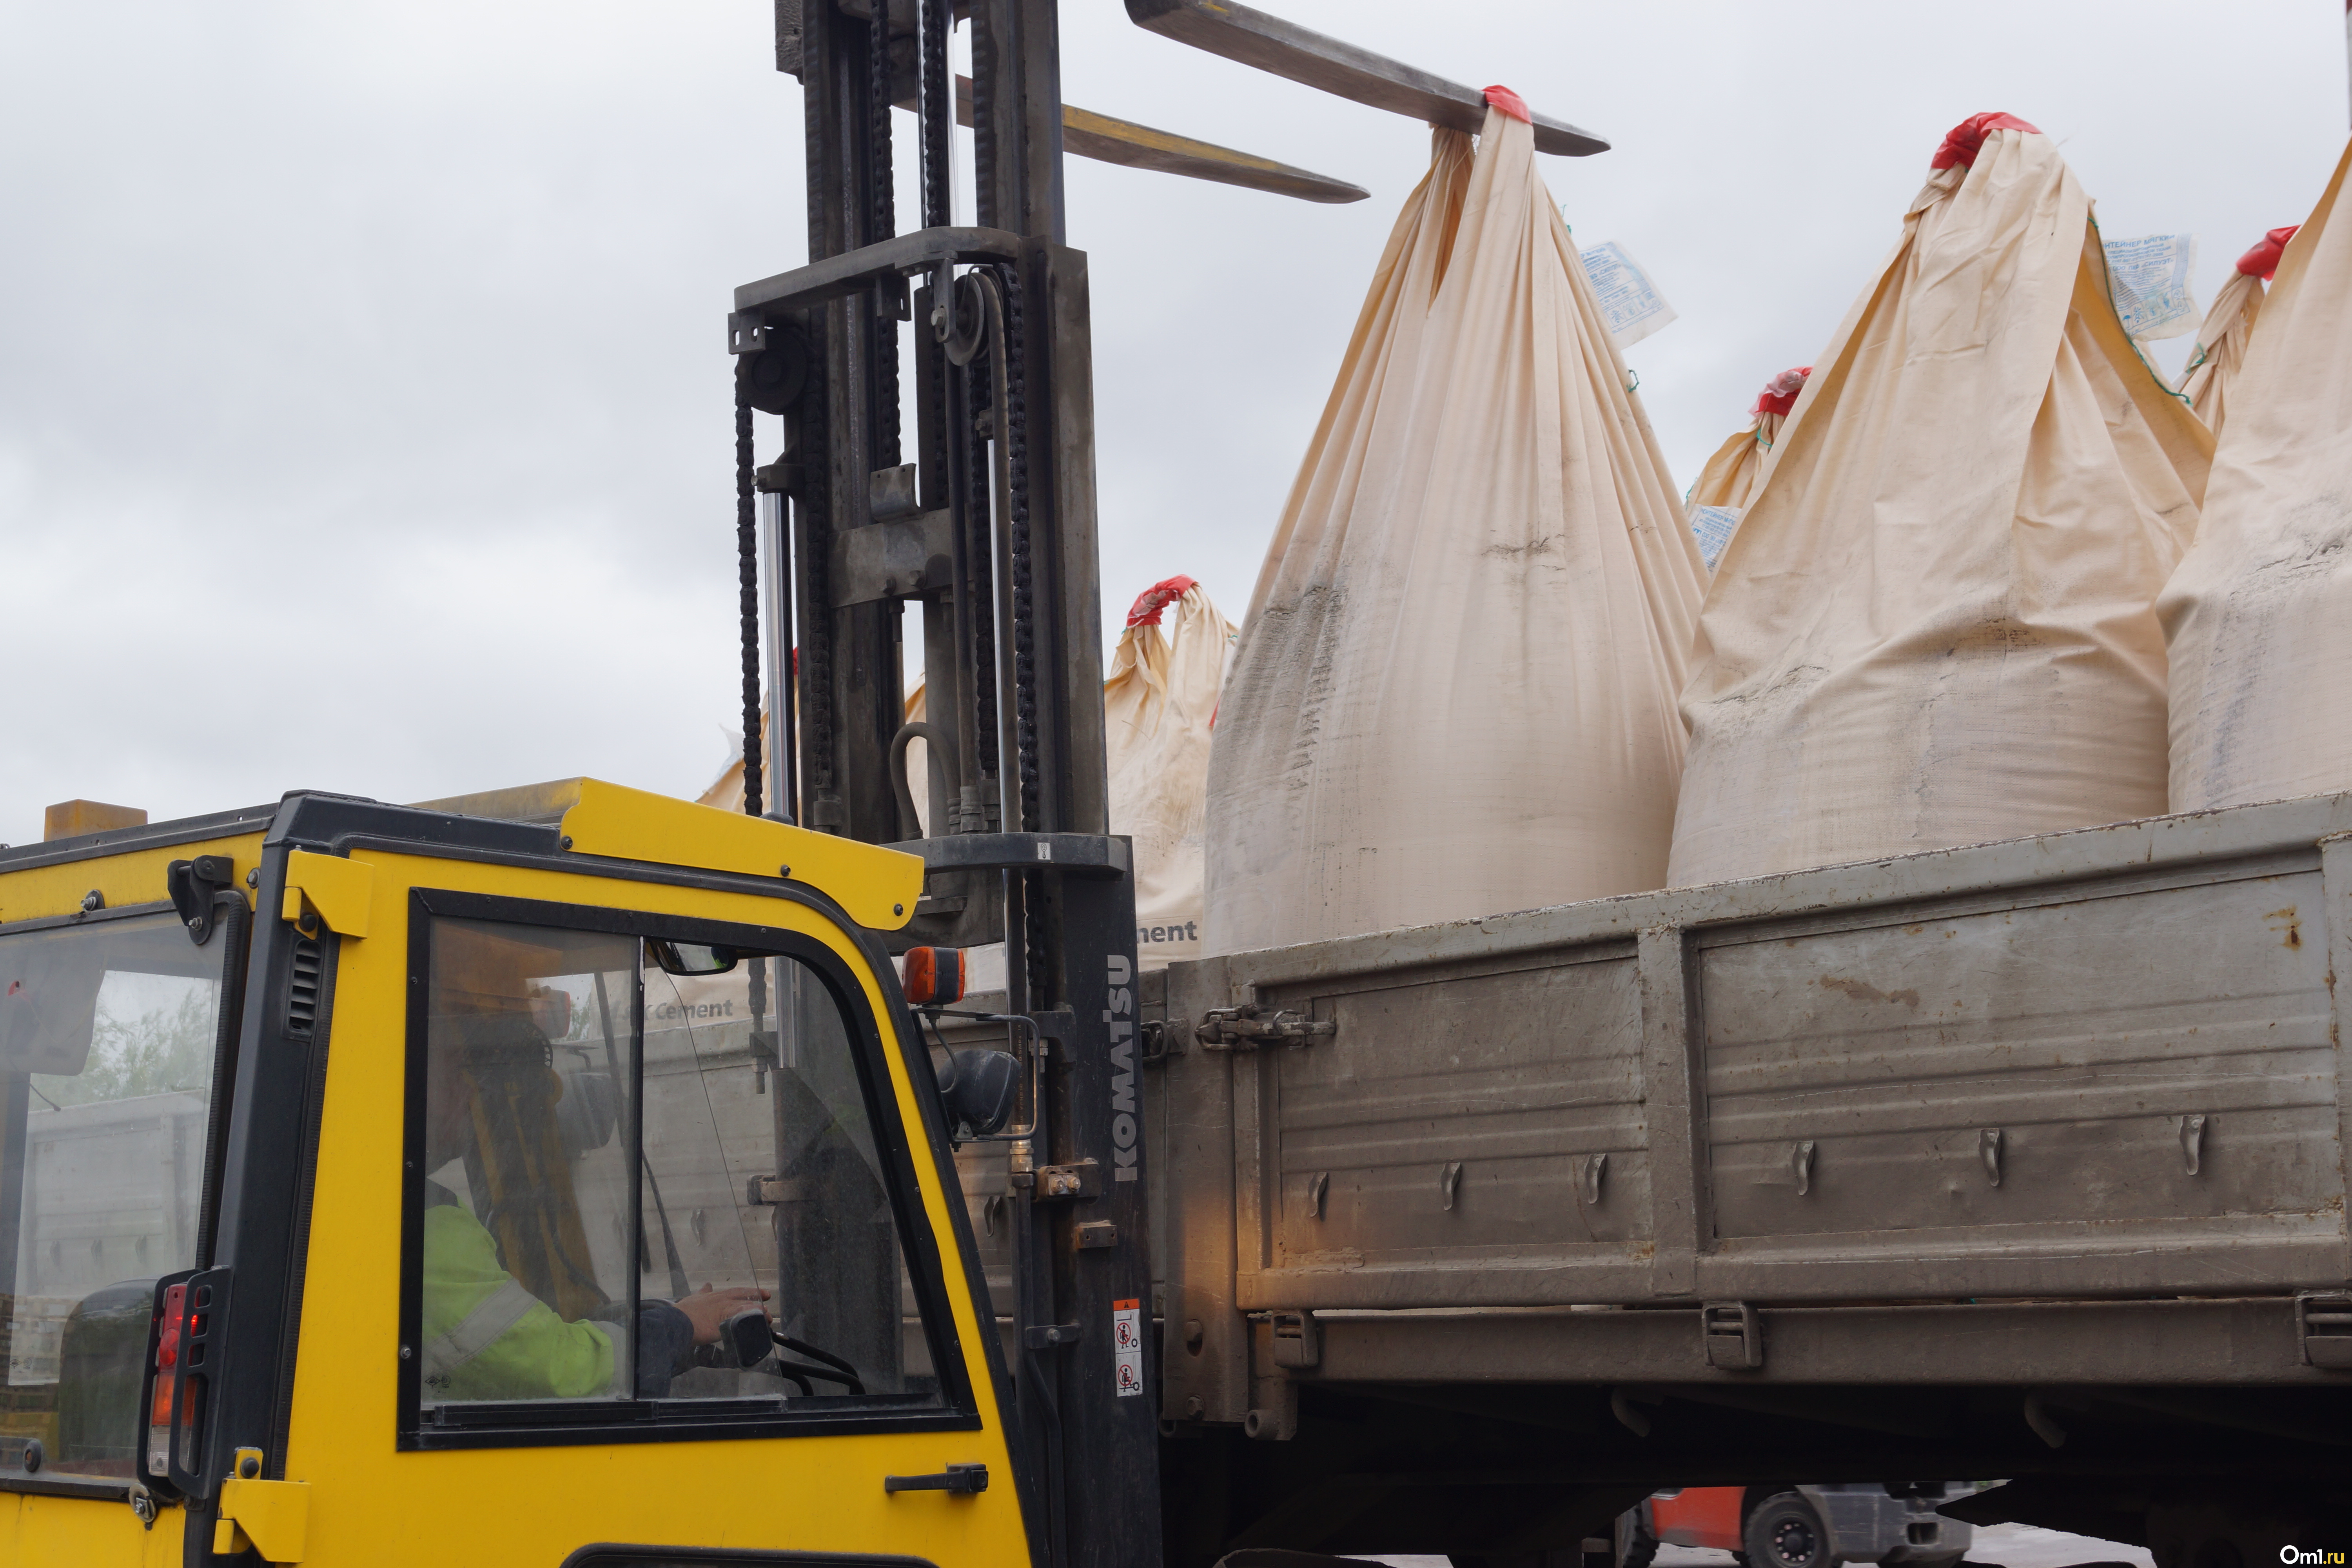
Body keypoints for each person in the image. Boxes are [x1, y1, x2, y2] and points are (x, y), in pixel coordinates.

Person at [419, 987, 767, 1403]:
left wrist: (663, 1318)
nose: (471, 1090)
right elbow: (560, 1372)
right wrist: (678, 1327)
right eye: (455, 1071)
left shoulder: (413, 1209)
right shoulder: (422, 1226)